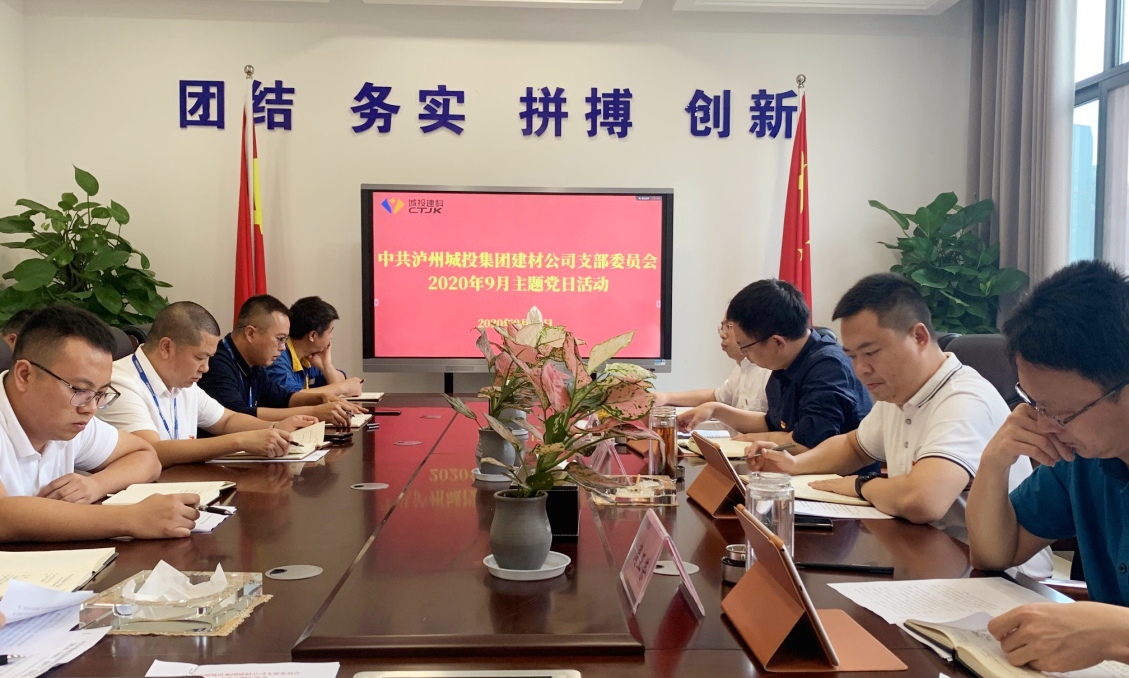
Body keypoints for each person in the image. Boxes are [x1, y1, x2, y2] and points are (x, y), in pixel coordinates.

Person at [746, 273, 1050, 576]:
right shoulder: (900, 392)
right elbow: (854, 446)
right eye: (852, 356)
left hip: (1001, 577)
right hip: (930, 558)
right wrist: (795, 465)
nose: (861, 369)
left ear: (918, 337)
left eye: (870, 353)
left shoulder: (964, 400)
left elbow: (923, 500)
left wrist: (861, 485)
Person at [966, 261, 1129, 673]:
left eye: (1061, 412)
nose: (1045, 426)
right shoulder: (1084, 459)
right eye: (1035, 405)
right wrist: (994, 461)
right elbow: (995, 552)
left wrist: (1112, 633)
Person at [0, 305, 200, 541]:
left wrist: (96, 485)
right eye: (80, 390)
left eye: (100, 394)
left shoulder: (69, 418)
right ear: (25, 375)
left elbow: (146, 456)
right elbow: (4, 516)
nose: (91, 408)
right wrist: (131, 518)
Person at [98, 301, 319, 467]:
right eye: (199, 357)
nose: (205, 368)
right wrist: (241, 441)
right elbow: (151, 450)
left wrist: (275, 428)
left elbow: (226, 420)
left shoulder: (182, 382)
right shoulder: (120, 383)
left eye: (209, 358)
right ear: (166, 347)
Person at [679, 279, 871, 452]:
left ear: (777, 342)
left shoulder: (828, 368)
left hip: (836, 477)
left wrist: (752, 440)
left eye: (745, 346)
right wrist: (715, 410)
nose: (744, 354)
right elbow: (772, 423)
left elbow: (808, 444)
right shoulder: (785, 363)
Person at [197, 295, 358, 427]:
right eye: (280, 339)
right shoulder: (216, 363)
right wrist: (314, 412)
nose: (283, 348)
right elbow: (236, 414)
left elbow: (282, 398)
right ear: (251, 334)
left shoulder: (254, 362)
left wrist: (320, 399)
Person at [654, 316, 770, 415]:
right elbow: (716, 397)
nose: (722, 335)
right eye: (722, 327)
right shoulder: (741, 368)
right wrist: (665, 397)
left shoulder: (768, 371)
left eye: (729, 326)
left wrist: (715, 410)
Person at [265, 296, 363, 399]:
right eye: (330, 331)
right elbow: (292, 396)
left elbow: (338, 381)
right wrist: (342, 388)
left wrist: (326, 366)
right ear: (312, 335)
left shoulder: (308, 357)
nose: (331, 336)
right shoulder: (277, 356)